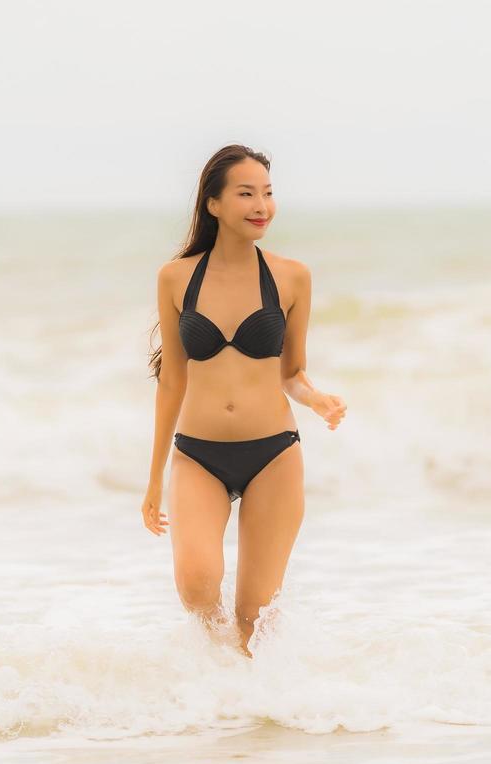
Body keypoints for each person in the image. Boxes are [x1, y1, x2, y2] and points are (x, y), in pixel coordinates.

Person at [141, 144, 347, 657]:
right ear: (213, 204)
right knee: (196, 585)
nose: (262, 205)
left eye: (269, 193)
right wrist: (153, 478)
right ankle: (217, 688)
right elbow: (172, 381)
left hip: (273, 453)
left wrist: (317, 399)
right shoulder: (176, 277)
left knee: (256, 616)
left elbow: (292, 372)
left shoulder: (291, 276)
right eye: (246, 193)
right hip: (197, 455)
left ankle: (250, 719)